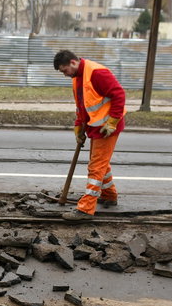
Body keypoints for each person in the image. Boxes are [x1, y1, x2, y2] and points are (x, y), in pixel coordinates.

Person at [53, 50, 126, 221]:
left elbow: (119, 95)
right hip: (96, 126)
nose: (65, 75)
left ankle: (86, 209)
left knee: (96, 166)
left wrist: (112, 122)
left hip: (107, 127)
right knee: (102, 164)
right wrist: (79, 126)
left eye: (65, 70)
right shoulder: (77, 77)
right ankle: (109, 195)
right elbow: (82, 104)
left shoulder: (96, 73)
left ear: (73, 62)